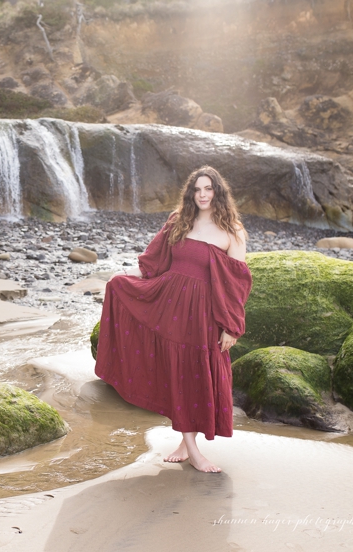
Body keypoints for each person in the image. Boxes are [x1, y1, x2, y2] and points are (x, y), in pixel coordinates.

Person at [94, 166, 253, 473]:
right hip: (169, 305)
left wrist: (232, 326)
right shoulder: (178, 221)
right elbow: (154, 262)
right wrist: (123, 277)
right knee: (177, 373)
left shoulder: (232, 231)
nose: (203, 195)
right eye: (198, 189)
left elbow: (237, 284)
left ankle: (186, 444)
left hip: (203, 314)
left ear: (218, 192)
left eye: (209, 189)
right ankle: (193, 450)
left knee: (193, 374)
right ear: (191, 193)